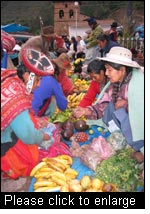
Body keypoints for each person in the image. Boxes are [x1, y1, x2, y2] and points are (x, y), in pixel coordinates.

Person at [73, 47, 144, 156]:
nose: (106, 73)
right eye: (106, 69)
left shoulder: (138, 84)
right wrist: (85, 111)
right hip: (125, 126)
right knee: (111, 106)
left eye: (109, 70)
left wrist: (126, 104)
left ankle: (139, 147)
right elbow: (103, 105)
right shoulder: (114, 84)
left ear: (122, 70)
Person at [1, 46, 56, 179]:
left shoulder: (10, 76)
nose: (38, 85)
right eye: (38, 80)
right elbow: (27, 135)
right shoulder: (14, 93)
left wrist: (35, 121)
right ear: (27, 75)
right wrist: (43, 137)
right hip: (5, 145)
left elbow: (16, 117)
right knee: (31, 161)